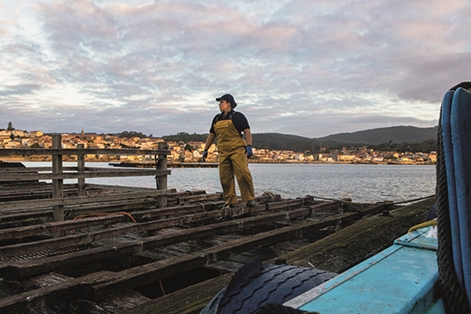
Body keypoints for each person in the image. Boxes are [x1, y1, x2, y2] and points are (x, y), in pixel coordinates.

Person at [202, 94, 256, 210]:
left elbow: (247, 131)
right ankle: (230, 201)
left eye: (222, 102)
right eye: (219, 102)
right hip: (223, 151)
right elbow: (212, 135)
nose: (219, 104)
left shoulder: (238, 116)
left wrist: (249, 145)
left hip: (237, 150)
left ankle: (250, 198)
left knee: (242, 173)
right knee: (225, 178)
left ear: (229, 103)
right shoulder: (216, 118)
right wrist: (205, 149)